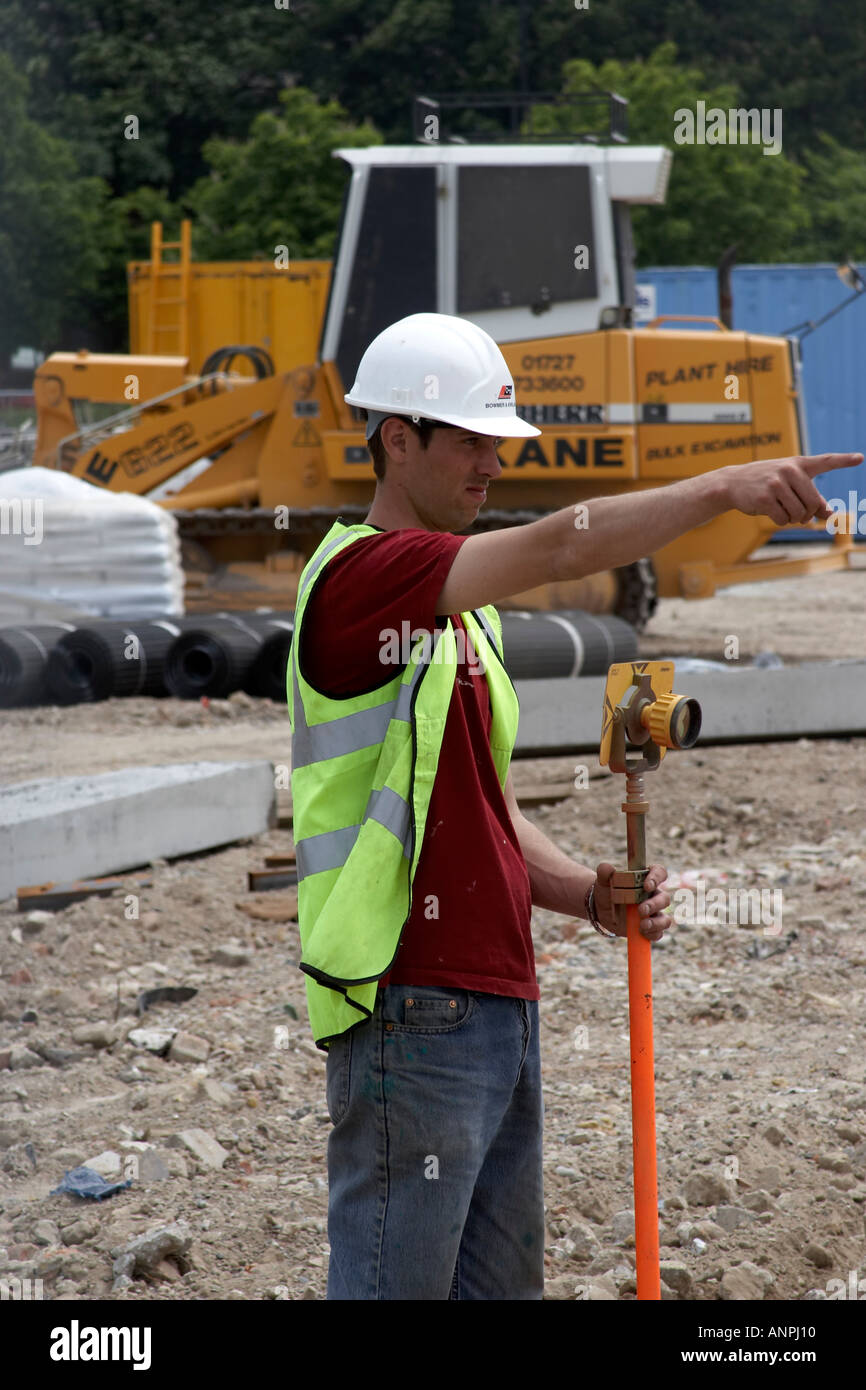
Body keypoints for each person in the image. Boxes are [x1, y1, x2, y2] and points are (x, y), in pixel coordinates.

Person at [287, 312, 861, 1301]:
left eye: (497, 445)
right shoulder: (359, 577)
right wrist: (722, 487)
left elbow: (478, 804)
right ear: (395, 437)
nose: (490, 466)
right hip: (406, 1002)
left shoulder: (457, 616)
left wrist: (579, 893)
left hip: (495, 1001)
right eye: (469, 441)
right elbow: (559, 546)